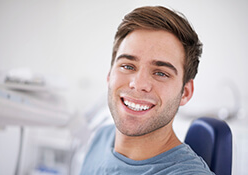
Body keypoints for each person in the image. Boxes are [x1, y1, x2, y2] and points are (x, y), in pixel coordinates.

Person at [80, 6, 214, 175]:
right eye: (127, 66)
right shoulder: (101, 138)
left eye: (160, 73)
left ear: (185, 92)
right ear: (109, 75)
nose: (138, 84)